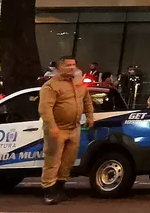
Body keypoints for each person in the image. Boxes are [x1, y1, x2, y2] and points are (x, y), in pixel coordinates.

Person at [39, 55, 94, 204]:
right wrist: (52, 127)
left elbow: (87, 100)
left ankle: (59, 189)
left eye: (73, 65)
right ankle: (49, 192)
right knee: (53, 161)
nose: (72, 68)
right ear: (59, 67)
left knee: (67, 162)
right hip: (57, 130)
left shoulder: (79, 83)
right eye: (68, 65)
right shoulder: (50, 86)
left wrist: (90, 117)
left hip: (74, 129)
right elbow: (45, 109)